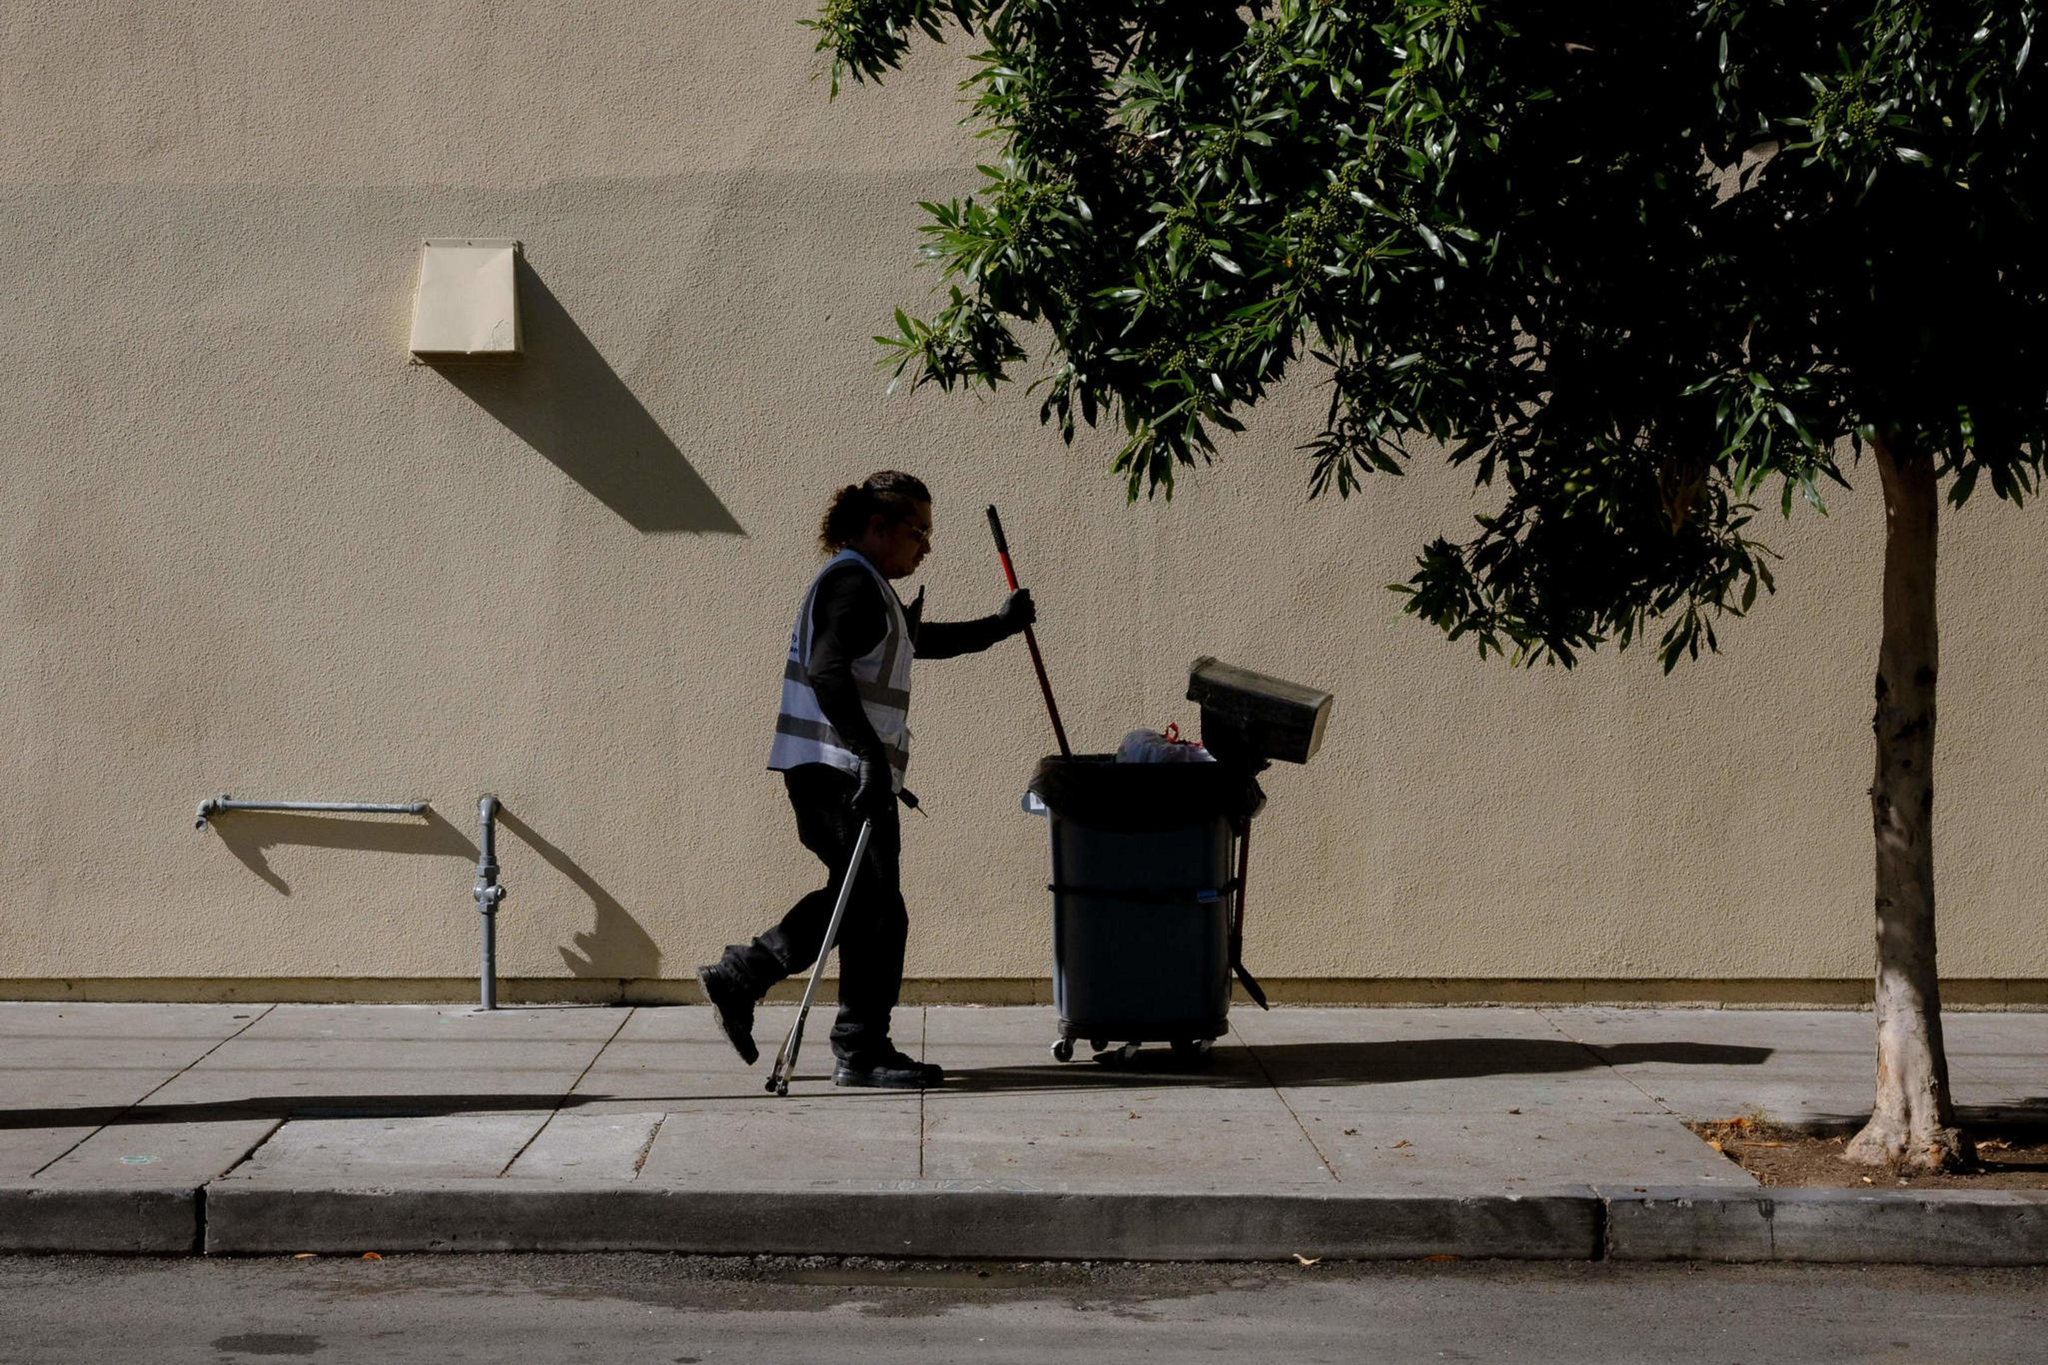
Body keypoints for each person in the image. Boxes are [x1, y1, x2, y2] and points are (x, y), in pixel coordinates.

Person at [696, 472, 1035, 1088]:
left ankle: (817, 1019)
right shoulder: (851, 582)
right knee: (873, 904)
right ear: (877, 527)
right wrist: (870, 756)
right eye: (918, 531)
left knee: (874, 907)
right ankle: (808, 1015)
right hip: (838, 770)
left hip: (843, 769)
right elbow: (827, 672)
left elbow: (914, 643)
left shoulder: (868, 588)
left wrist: (998, 626)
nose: (926, 546)